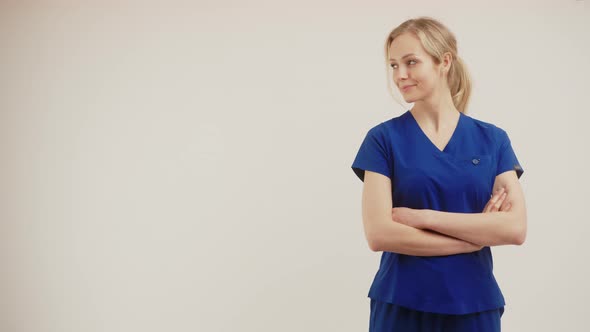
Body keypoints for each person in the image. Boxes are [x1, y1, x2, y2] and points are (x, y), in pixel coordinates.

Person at [350, 17, 527, 332]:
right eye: (393, 65)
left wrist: (422, 218)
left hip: (474, 305)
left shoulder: (493, 140)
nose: (400, 75)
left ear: (444, 61)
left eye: (411, 62)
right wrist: (473, 238)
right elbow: (380, 234)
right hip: (401, 305)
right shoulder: (383, 139)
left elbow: (514, 228)